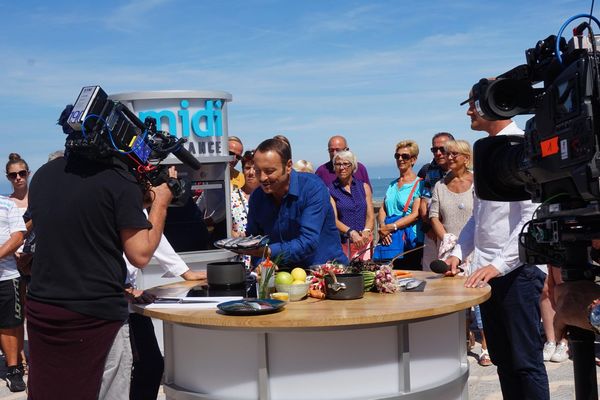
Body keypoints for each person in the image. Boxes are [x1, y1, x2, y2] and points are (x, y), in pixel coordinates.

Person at [26, 118, 175, 400]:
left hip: (44, 312)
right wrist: (160, 203)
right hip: (97, 319)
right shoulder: (119, 179)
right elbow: (140, 254)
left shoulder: (43, 176)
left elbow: (76, 240)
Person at [445, 92, 549, 399]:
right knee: (504, 362)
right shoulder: (488, 150)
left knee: (526, 363)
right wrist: (457, 253)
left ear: (499, 103)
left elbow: (531, 218)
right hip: (487, 277)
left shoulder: (520, 146)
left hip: (518, 274)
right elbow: (479, 219)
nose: (469, 113)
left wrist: (498, 265)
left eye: (473, 104)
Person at [125, 208, 205, 400]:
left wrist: (185, 272)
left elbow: (152, 236)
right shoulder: (114, 194)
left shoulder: (134, 203)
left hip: (128, 300)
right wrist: (119, 285)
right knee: (128, 368)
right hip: (107, 301)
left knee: (150, 364)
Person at [428, 140, 491, 366]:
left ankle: (486, 346)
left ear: (466, 157)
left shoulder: (478, 183)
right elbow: (433, 215)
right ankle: (462, 340)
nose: (450, 157)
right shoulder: (439, 186)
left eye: (455, 154)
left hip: (476, 247)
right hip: (451, 249)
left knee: (479, 298)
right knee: (457, 299)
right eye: (448, 153)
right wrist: (446, 238)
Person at [242, 138, 347, 269]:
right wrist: (260, 263)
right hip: (281, 277)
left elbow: (308, 242)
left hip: (326, 275)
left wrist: (269, 251)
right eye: (258, 171)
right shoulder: (257, 197)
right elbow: (254, 241)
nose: (262, 178)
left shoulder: (312, 188)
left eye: (269, 171)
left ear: (288, 166)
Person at [374, 140, 423, 270]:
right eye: (397, 156)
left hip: (408, 241)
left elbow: (415, 214)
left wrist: (392, 227)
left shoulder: (419, 184)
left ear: (413, 159)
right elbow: (383, 209)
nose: (400, 159)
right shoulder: (392, 185)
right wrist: (384, 227)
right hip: (389, 238)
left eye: (405, 156)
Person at [5, 153, 30, 389]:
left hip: (40, 261)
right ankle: (19, 356)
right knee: (18, 312)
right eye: (13, 175)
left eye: (22, 173)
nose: (18, 178)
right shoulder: (7, 203)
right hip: (15, 262)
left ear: (28, 174)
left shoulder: (40, 199)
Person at [327, 150, 374, 261]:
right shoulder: (330, 190)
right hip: (343, 245)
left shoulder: (364, 187)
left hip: (364, 244)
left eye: (345, 164)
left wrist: (367, 231)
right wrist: (351, 232)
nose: (341, 167)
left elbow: (371, 216)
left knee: (366, 275)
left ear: (353, 166)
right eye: (338, 164)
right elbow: (333, 220)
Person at [0, 195, 26, 392]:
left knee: (10, 324)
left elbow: (18, 236)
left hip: (7, 275)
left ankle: (13, 369)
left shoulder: (7, 204)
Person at [418, 132, 454, 270]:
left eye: (442, 149)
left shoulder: (464, 171)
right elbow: (424, 202)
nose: (438, 153)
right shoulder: (430, 169)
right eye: (434, 149)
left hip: (454, 230)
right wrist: (428, 227)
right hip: (432, 229)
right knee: (429, 271)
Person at [231, 150, 260, 267]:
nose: (251, 172)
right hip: (238, 260)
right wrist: (232, 233)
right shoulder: (231, 196)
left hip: (263, 259)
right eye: (247, 168)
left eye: (255, 169)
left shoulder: (269, 197)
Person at [540, 265, 569, 363]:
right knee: (544, 286)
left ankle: (565, 342)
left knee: (562, 283)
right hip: (541, 249)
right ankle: (551, 341)